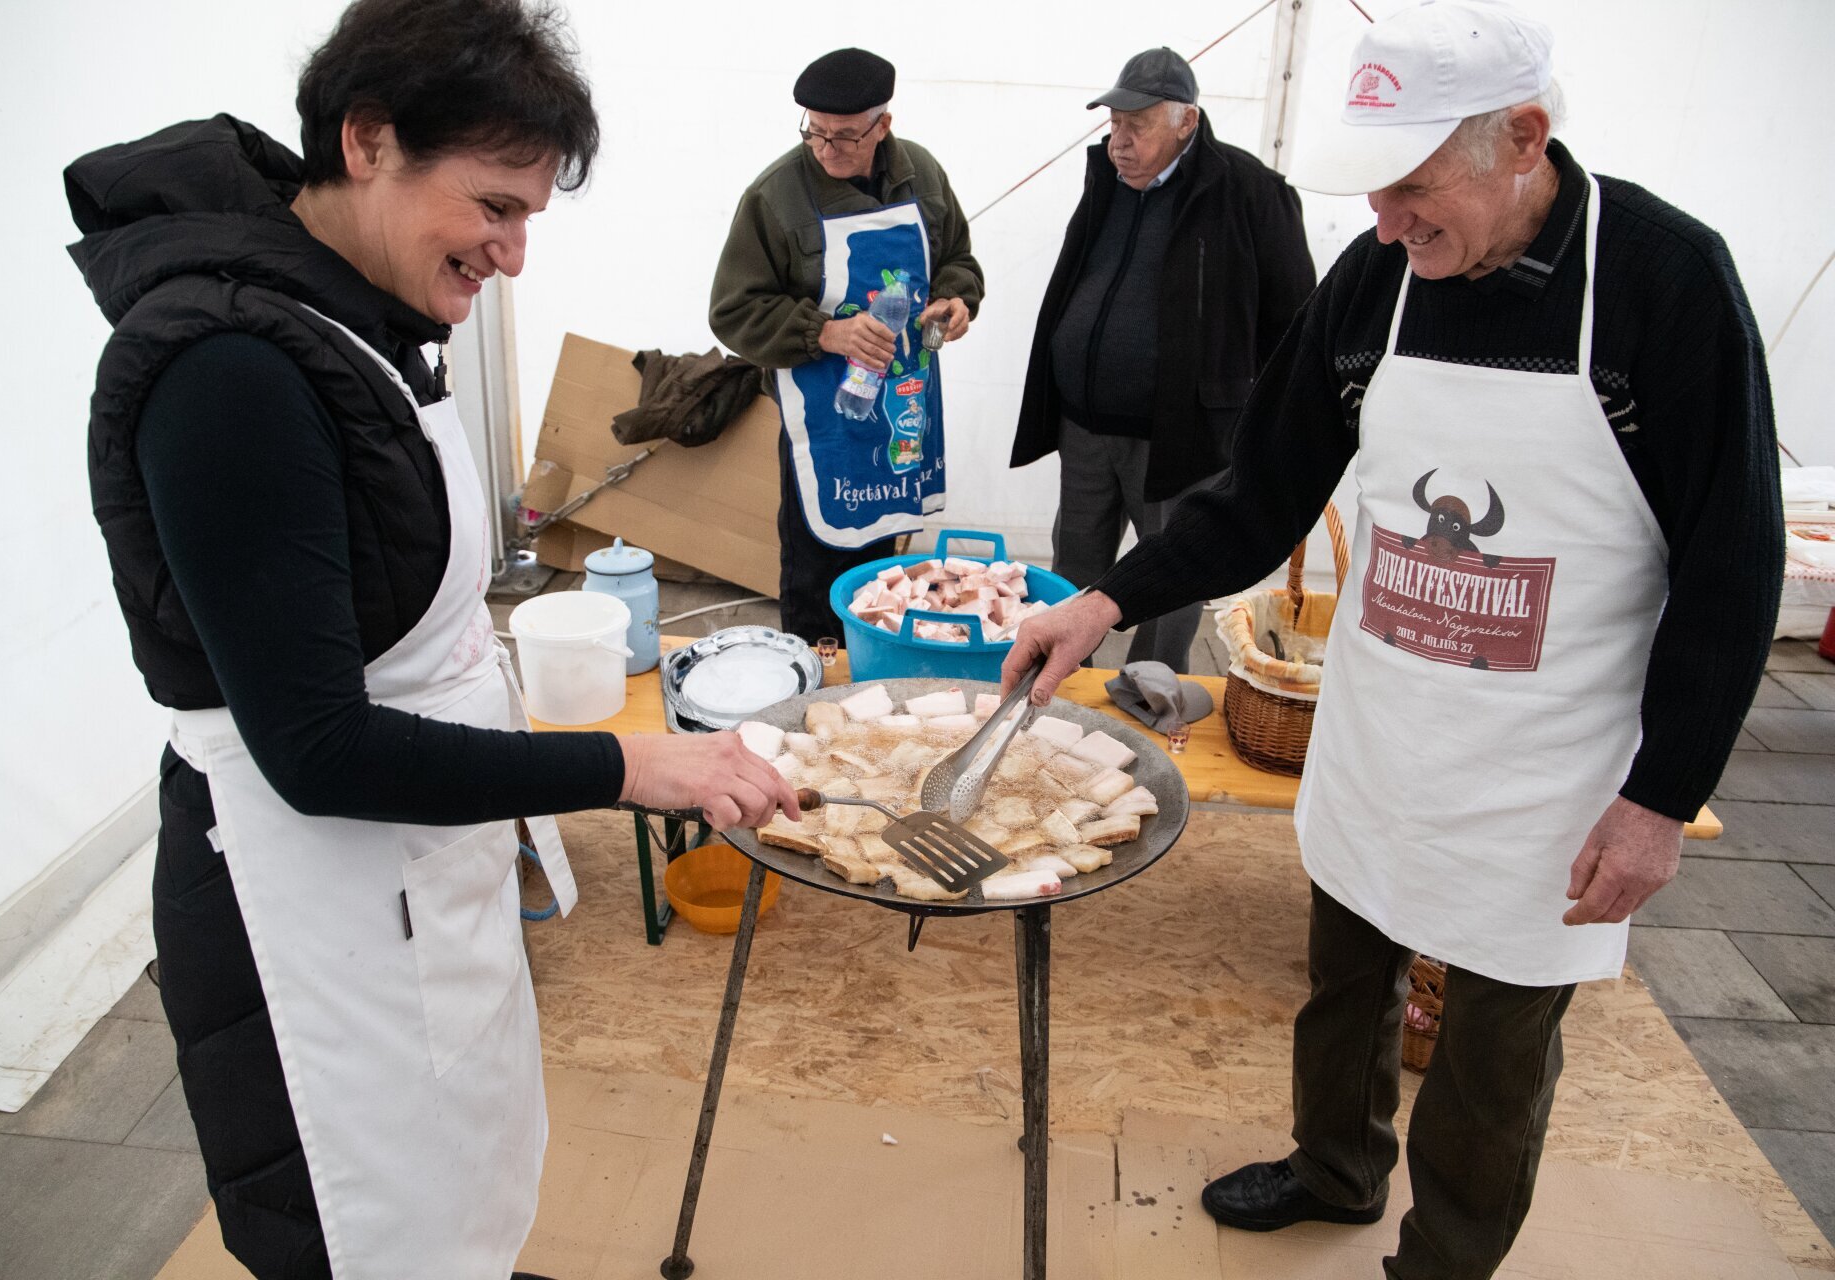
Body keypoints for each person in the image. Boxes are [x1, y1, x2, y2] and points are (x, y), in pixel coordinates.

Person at [1001, 3, 1782, 1276]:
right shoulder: (1378, 282)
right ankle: (1336, 1166)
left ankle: (1446, 1256)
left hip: (1552, 767)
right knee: (1347, 975)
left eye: (1417, 187)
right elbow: (1261, 491)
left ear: (1524, 137)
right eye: (1376, 188)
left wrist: (1660, 797)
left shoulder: (1661, 282)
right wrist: (1103, 601)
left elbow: (1733, 566)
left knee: (1491, 1048)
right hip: (1383, 728)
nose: (1384, 223)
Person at [65, 2, 797, 1276]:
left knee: (454, 1172)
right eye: (494, 207)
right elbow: (315, 746)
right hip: (298, 902)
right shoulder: (228, 373)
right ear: (366, 141)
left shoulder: (356, 318)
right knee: (358, 1222)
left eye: (529, 217)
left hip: (399, 878)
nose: (513, 254)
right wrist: (629, 768)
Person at [1011, 47, 1314, 671]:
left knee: (1171, 576)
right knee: (1074, 569)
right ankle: (1065, 692)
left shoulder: (1249, 190)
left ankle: (1148, 690)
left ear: (1187, 123)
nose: (1120, 140)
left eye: (1138, 125)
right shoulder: (1109, 182)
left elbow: (1294, 320)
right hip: (1087, 427)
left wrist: (1241, 412)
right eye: (1115, 123)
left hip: (1180, 436)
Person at [710, 48, 985, 642]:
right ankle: (814, 678)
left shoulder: (924, 175)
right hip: (823, 416)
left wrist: (953, 306)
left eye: (844, 137)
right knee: (816, 567)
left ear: (883, 125)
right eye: (815, 133)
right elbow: (733, 312)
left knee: (883, 565)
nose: (826, 149)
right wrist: (826, 332)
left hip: (904, 403)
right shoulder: (775, 197)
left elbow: (957, 260)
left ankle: (876, 670)